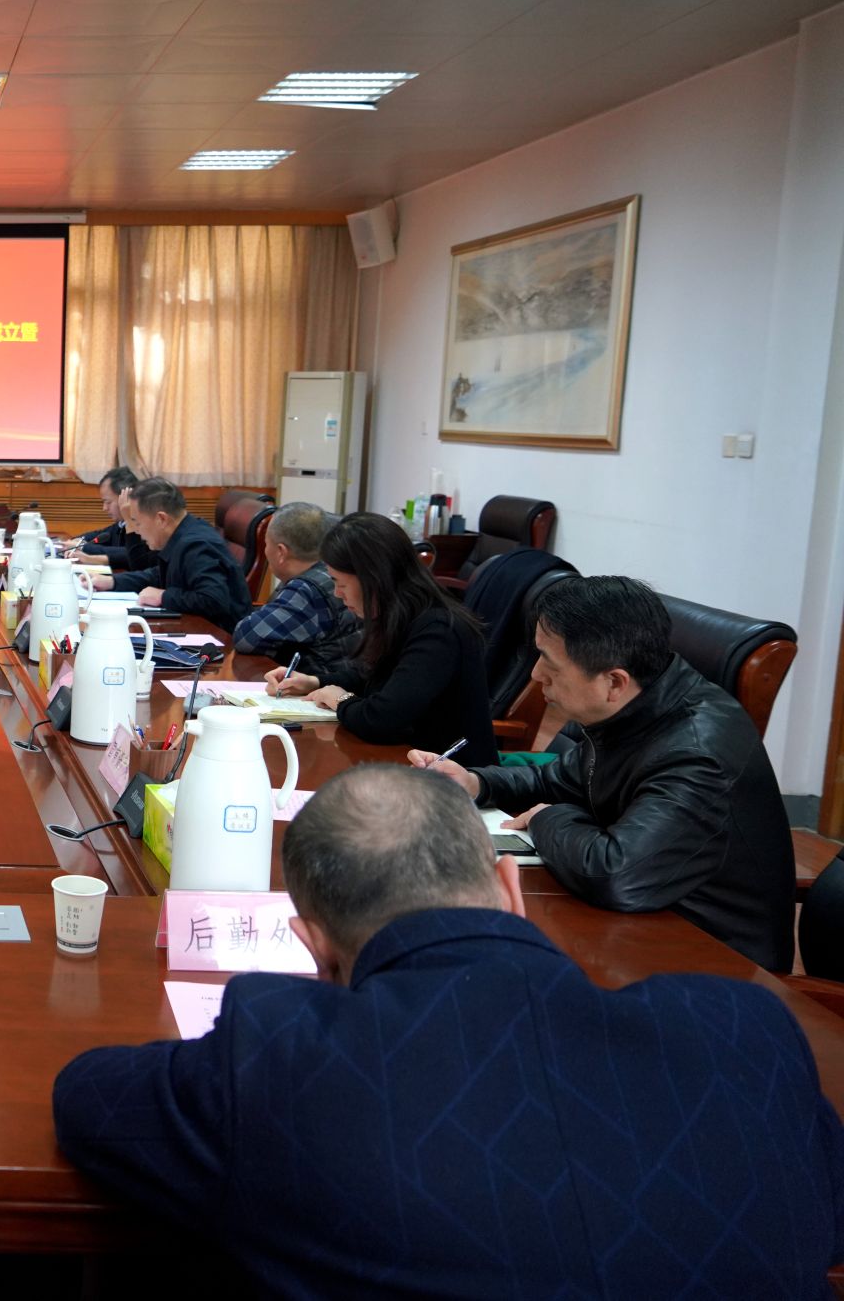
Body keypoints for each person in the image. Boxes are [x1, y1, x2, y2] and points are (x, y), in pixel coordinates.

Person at [54, 764, 844, 1299]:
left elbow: (87, 1098)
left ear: (312, 945)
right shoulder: (745, 1032)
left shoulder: (283, 1053)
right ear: (510, 884)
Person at [415, 575, 796, 971]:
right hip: (643, 924)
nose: (536, 674)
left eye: (550, 663)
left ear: (614, 682)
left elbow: (615, 872)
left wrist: (548, 818)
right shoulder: (638, 705)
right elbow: (557, 780)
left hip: (712, 963)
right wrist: (476, 782)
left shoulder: (697, 755)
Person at [266, 510, 496, 766]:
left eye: (341, 583)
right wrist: (314, 682)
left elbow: (382, 719)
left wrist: (340, 700)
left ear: (373, 579)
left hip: (451, 776)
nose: (337, 594)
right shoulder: (401, 615)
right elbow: (371, 677)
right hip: (404, 762)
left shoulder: (439, 630)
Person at [107, 477, 252, 628]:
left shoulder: (197, 545)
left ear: (161, 519)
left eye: (138, 522)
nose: (137, 531)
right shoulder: (182, 534)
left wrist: (163, 596)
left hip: (219, 636)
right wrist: (113, 582)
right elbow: (159, 575)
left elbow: (213, 600)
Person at [230, 501, 360, 669]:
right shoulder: (333, 572)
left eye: (266, 544)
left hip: (321, 681)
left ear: (281, 552)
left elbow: (247, 637)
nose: (266, 550)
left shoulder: (306, 590)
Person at [76, 466, 154, 569]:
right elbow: (97, 536)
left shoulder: (146, 526)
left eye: (108, 502)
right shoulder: (120, 524)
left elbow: (129, 553)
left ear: (126, 498)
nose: (104, 508)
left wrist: (82, 547)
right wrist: (76, 542)